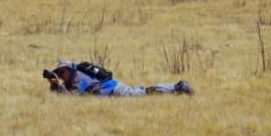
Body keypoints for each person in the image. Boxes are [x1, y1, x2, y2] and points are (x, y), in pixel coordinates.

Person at [44, 60, 194, 97]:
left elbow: (73, 97)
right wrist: (54, 86)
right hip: (109, 91)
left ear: (69, 69)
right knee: (140, 92)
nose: (60, 75)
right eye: (58, 72)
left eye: (61, 72)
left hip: (113, 89)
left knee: (141, 94)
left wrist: (58, 86)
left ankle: (177, 87)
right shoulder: (72, 78)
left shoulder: (80, 78)